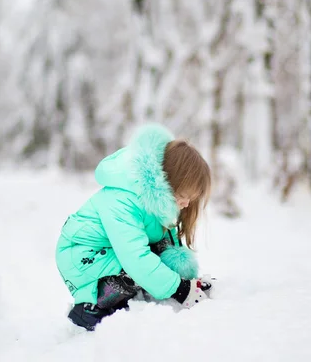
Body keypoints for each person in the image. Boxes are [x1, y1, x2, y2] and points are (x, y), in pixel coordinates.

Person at [55, 123, 213, 331]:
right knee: (134, 272)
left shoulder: (157, 201)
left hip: (111, 251)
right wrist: (180, 289)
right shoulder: (123, 199)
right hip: (82, 255)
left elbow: (167, 242)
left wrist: (188, 280)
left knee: (156, 253)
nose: (186, 204)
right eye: (184, 197)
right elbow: (135, 257)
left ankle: (127, 293)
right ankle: (93, 307)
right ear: (169, 184)